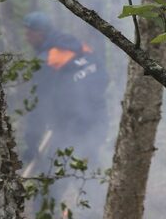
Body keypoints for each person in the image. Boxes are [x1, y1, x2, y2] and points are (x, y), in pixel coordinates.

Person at [21, 12, 108, 175]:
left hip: (72, 130)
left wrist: (32, 141)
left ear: (40, 33)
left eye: (28, 33)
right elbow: (103, 78)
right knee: (88, 176)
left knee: (50, 188)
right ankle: (103, 198)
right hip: (99, 122)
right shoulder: (80, 46)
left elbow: (38, 105)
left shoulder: (47, 62)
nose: (26, 38)